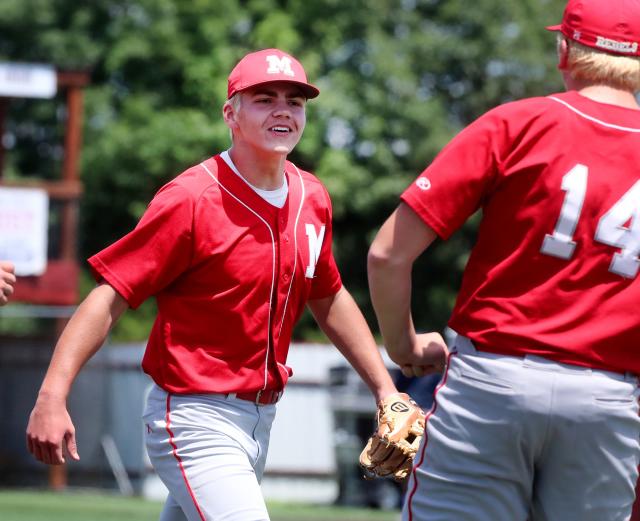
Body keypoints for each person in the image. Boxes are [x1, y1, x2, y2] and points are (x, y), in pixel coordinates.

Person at [26, 48, 415, 521]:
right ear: (230, 113)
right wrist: (51, 396)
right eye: (264, 98)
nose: (283, 110)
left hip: (261, 419)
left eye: (295, 101)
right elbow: (110, 296)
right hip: (193, 417)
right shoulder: (191, 198)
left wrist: (384, 390)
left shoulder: (312, 197)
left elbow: (327, 295)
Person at [367, 0, 640, 519]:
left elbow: (387, 253)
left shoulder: (520, 122)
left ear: (565, 50)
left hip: (494, 382)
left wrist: (404, 347)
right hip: (608, 400)